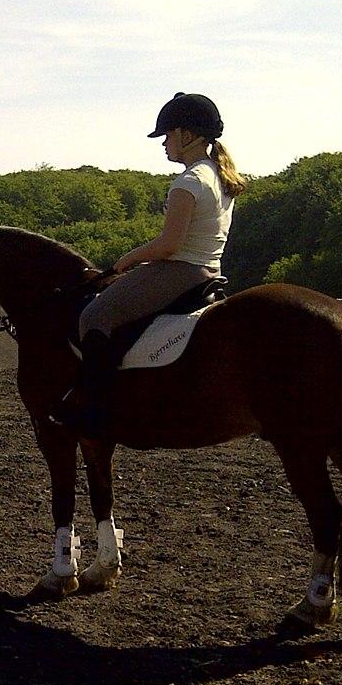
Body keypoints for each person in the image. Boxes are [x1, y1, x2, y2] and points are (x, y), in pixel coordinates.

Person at [53, 92, 246, 436]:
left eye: (168, 135)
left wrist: (125, 261)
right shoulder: (218, 174)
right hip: (209, 269)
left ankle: (97, 411)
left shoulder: (188, 182)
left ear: (187, 135)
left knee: (94, 315)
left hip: (180, 271)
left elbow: (169, 245)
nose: (164, 144)